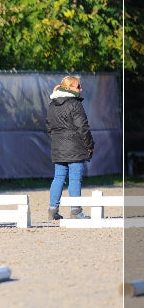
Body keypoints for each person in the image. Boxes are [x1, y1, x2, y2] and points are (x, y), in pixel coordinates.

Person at [46, 75, 95, 220]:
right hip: (76, 147)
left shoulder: (51, 105)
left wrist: (58, 142)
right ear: (68, 88)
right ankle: (75, 211)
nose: (81, 89)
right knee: (74, 179)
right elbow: (83, 128)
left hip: (58, 147)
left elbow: (49, 128)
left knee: (58, 178)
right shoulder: (75, 104)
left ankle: (52, 210)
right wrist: (90, 145)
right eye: (78, 86)